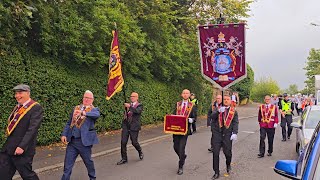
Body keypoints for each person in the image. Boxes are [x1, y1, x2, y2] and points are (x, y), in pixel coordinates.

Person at [0, 84, 43, 180]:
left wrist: (22, 146)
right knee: (3, 174)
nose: (17, 95)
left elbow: (32, 129)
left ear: (28, 93)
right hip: (8, 148)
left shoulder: (35, 108)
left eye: (20, 93)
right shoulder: (18, 107)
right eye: (16, 93)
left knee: (27, 175)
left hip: (22, 150)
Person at [61, 90, 100, 180]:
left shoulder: (94, 109)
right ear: (83, 98)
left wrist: (84, 113)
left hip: (84, 143)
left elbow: (96, 115)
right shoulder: (76, 108)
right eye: (85, 97)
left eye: (89, 98)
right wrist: (64, 134)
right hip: (72, 141)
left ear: (92, 100)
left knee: (88, 163)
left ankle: (92, 178)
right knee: (67, 166)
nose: (86, 99)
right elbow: (69, 123)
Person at [209, 95, 239, 179]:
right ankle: (216, 172)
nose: (226, 101)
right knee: (215, 153)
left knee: (227, 153)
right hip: (217, 134)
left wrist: (235, 133)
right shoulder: (218, 108)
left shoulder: (234, 111)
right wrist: (218, 111)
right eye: (224, 99)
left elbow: (235, 122)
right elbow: (212, 117)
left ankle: (228, 165)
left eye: (227, 99)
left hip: (227, 134)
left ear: (230, 101)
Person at [172, 89, 196, 175]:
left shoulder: (192, 105)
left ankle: (180, 166)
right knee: (175, 147)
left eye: (187, 93)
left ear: (189, 95)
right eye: (184, 93)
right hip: (176, 129)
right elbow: (173, 114)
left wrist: (191, 120)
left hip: (185, 130)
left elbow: (194, 118)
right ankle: (183, 157)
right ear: (181, 94)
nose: (185, 95)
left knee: (181, 148)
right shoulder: (177, 104)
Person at [117, 92, 144, 165]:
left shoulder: (139, 105)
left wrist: (129, 107)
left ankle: (140, 151)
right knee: (123, 142)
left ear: (137, 97)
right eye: (131, 96)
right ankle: (124, 158)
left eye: (133, 96)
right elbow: (126, 114)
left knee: (134, 142)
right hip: (126, 126)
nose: (131, 97)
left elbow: (137, 111)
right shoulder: (128, 105)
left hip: (134, 127)